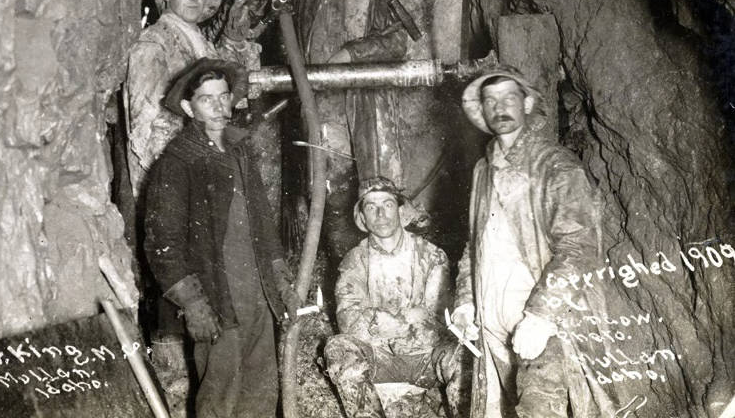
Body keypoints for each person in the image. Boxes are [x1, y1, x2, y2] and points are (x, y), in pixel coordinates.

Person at [451, 67, 615, 418]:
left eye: (509, 97)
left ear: (526, 103)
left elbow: (578, 245)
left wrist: (541, 315)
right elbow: (474, 243)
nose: (500, 107)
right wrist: (466, 302)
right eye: (490, 100)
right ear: (481, 110)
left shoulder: (556, 165)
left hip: (545, 321)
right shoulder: (483, 170)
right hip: (491, 317)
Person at [145, 58, 297, 418]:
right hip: (216, 296)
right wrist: (193, 303)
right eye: (206, 99)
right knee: (221, 391)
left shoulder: (240, 150)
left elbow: (263, 220)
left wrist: (280, 278)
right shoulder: (178, 162)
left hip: (256, 291)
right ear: (188, 107)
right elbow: (161, 243)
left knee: (261, 387)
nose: (217, 106)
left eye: (223, 96)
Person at [289, 0, 412, 257]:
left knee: (376, 185)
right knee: (327, 190)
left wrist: (350, 52)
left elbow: (398, 40)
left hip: (363, 104)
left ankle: (385, 262)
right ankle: (345, 267)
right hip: (318, 108)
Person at [323, 176, 464, 418]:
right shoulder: (355, 261)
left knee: (462, 355)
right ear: (363, 218)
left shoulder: (431, 256)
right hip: (380, 361)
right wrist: (407, 317)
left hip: (426, 359)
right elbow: (349, 321)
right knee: (339, 349)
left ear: (400, 211)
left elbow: (441, 320)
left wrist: (379, 321)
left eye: (387, 204)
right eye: (370, 207)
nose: (380, 214)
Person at [125, 0, 262, 198]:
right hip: (172, 178)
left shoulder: (202, 43)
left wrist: (236, 42)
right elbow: (146, 123)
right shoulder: (154, 42)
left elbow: (238, 96)